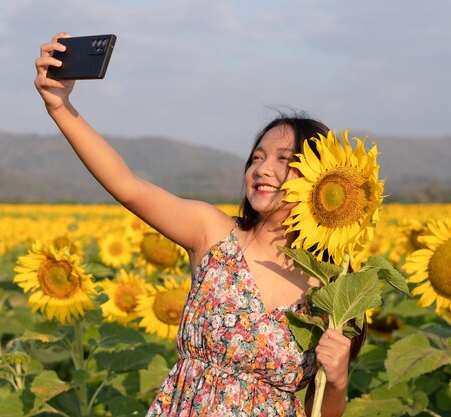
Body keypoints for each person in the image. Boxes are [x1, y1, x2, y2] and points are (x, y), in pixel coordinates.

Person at [35, 32, 356, 417]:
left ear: (321, 180)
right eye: (257, 157)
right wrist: (59, 105)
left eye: (284, 160)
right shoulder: (213, 233)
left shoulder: (333, 291)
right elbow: (127, 186)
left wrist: (337, 382)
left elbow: (320, 410)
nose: (262, 168)